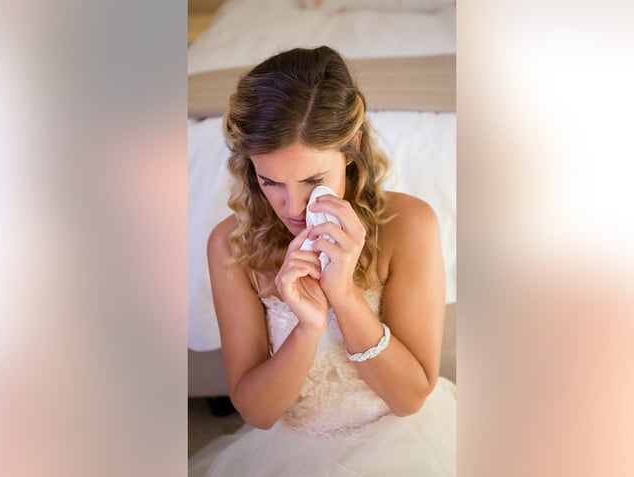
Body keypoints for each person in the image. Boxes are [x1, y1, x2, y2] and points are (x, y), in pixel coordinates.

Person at [188, 45, 456, 476]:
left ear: (353, 145)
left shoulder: (409, 225)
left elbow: (408, 400)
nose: (292, 206)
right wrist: (307, 327)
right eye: (270, 181)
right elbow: (258, 415)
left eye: (313, 180)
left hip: (401, 446)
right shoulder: (231, 244)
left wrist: (344, 295)